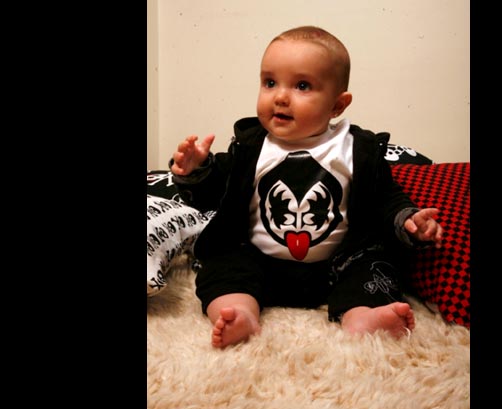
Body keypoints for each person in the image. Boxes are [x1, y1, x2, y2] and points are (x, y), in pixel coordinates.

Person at [169, 26, 443, 349]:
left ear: (337, 105)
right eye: (270, 82)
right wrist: (197, 171)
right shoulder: (250, 147)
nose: (280, 97)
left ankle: (362, 318)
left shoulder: (356, 150)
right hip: (259, 262)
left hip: (338, 266)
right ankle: (240, 313)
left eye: (302, 86)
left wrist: (407, 219)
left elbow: (386, 197)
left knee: (374, 269)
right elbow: (215, 193)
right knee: (223, 268)